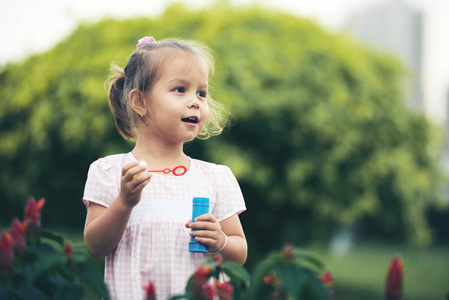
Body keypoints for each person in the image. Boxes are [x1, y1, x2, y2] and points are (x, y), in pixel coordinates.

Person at [82, 36, 247, 300]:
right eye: (180, 89)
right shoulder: (111, 171)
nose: (195, 101)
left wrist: (221, 242)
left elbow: (239, 252)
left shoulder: (215, 177)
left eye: (201, 93)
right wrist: (125, 202)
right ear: (140, 102)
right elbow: (94, 247)